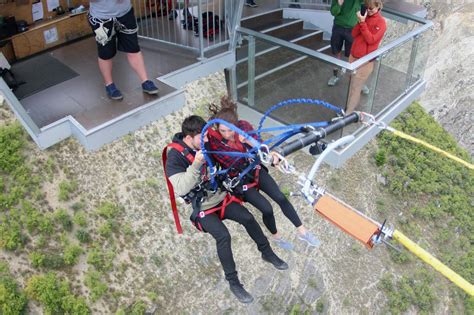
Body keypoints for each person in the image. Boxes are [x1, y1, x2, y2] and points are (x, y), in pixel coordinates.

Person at [164, 115, 288, 304]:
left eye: (206, 136)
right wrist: (197, 163)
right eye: (202, 137)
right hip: (203, 207)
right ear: (189, 137)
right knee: (223, 236)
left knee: (247, 218)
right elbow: (180, 187)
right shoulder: (174, 156)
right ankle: (234, 283)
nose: (206, 140)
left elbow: (227, 151)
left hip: (219, 197)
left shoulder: (203, 146)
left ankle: (267, 252)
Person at [207, 97, 320, 251]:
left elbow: (261, 147)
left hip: (254, 169)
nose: (227, 134)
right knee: (267, 209)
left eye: (230, 130)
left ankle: (302, 231)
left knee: (280, 197)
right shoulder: (214, 142)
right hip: (239, 180)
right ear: (218, 129)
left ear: (236, 125)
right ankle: (276, 237)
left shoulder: (244, 127)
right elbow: (222, 157)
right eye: (223, 131)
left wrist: (248, 141)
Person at [88, 0, 159, 100]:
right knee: (106, 53)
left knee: (133, 49)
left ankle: (145, 81)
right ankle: (109, 85)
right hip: (101, 18)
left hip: (125, 14)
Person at [346, 0, 386, 113]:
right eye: (367, 8)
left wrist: (363, 24)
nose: (368, 10)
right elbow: (353, 34)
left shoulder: (381, 22)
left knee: (355, 87)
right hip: (353, 56)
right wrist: (360, 22)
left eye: (371, 8)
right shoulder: (365, 18)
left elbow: (371, 40)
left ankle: (348, 112)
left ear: (378, 7)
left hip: (365, 61)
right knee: (351, 85)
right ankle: (348, 108)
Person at [327, 0, 363, 87]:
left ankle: (353, 79)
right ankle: (335, 75)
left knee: (351, 55)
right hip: (338, 27)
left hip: (352, 29)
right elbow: (333, 12)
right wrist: (339, 3)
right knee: (336, 52)